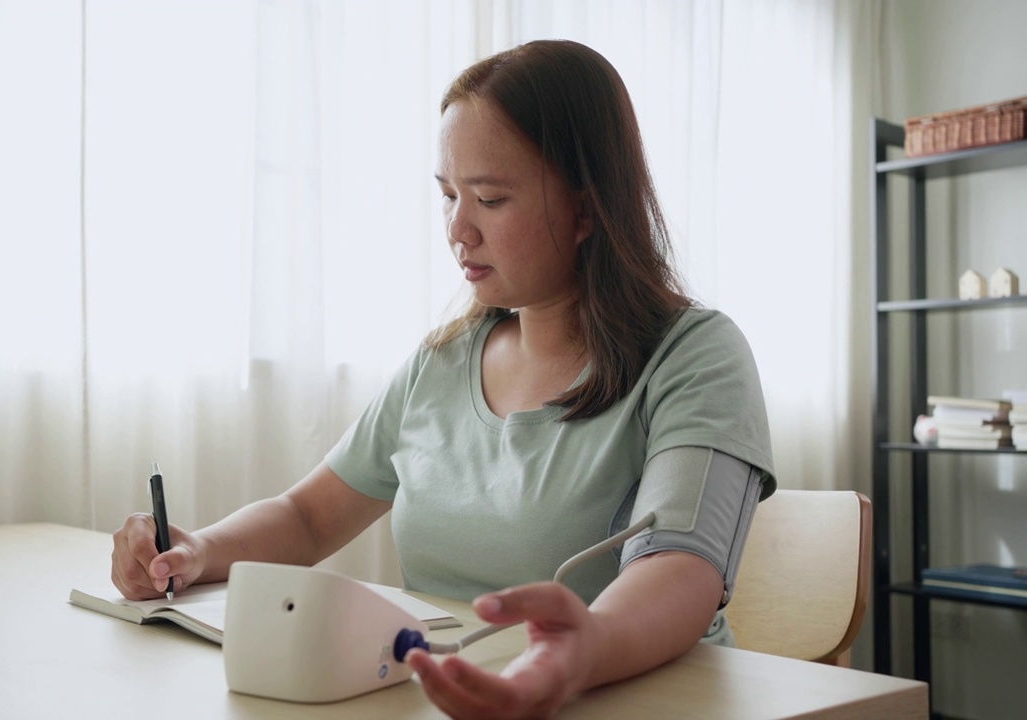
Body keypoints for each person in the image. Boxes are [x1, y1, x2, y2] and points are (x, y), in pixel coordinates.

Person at [111, 39, 775, 719]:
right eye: (448, 195)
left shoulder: (696, 354)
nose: (459, 228)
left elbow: (682, 569)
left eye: (489, 198)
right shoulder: (444, 361)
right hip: (465, 696)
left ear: (586, 208)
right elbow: (309, 517)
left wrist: (584, 647)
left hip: (646, 699)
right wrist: (196, 550)